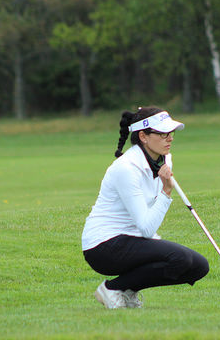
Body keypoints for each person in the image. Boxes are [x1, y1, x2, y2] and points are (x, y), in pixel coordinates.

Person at [82, 106, 209, 309]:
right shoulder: (126, 168)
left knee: (199, 267)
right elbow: (147, 228)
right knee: (180, 258)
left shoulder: (165, 159)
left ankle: (127, 291)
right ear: (143, 136)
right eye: (163, 133)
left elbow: (146, 227)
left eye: (171, 133)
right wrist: (166, 193)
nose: (170, 138)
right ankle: (113, 288)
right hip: (103, 246)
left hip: (133, 239)